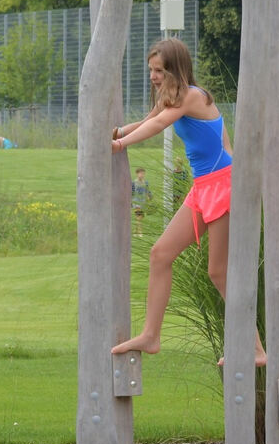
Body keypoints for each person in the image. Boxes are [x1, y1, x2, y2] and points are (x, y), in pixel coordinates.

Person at [110, 38, 266, 366]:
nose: (153, 76)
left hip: (224, 185)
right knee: (160, 254)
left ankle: (256, 350)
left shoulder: (194, 96)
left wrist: (122, 143)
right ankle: (151, 335)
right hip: (203, 187)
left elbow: (159, 124)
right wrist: (116, 131)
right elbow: (150, 118)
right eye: (151, 70)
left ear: (175, 69)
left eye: (159, 70)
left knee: (218, 271)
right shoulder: (171, 97)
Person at [131, 166, 152, 236]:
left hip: (143, 202)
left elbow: (147, 191)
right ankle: (140, 232)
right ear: (137, 174)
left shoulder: (145, 183)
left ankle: (135, 231)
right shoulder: (134, 183)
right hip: (136, 202)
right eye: (140, 173)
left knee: (141, 217)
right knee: (139, 217)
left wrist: (150, 197)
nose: (142, 175)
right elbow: (131, 192)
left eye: (143, 174)